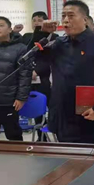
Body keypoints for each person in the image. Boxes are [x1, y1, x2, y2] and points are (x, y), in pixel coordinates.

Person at [35, 0, 94, 144]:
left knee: (93, 156)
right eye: (63, 16)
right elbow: (36, 60)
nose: (66, 20)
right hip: (63, 116)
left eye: (71, 16)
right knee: (67, 156)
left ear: (85, 20)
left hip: (89, 114)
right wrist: (41, 34)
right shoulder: (59, 44)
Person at [20, 11, 59, 140]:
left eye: (40, 20)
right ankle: (41, 137)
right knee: (36, 110)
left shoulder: (55, 38)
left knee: (53, 108)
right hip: (30, 79)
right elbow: (25, 54)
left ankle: (57, 135)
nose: (36, 22)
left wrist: (38, 70)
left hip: (47, 79)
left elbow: (51, 59)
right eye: (34, 20)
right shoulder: (27, 37)